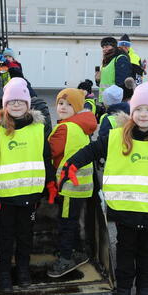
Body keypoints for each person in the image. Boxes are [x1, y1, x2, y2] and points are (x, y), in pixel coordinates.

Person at [59, 82, 148, 295]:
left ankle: (145, 290)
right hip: (124, 209)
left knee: (147, 253)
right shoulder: (116, 137)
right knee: (125, 253)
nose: (143, 115)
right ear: (131, 111)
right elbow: (92, 150)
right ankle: (123, 290)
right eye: (138, 109)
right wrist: (72, 164)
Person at [0, 77, 56, 292]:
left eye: (20, 101)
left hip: (30, 195)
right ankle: (4, 273)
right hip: (5, 196)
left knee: (25, 235)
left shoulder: (38, 128)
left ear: (28, 104)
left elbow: (45, 157)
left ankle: (24, 269)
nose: (16, 105)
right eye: (11, 101)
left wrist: (50, 182)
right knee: (6, 236)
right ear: (4, 104)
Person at [47, 88, 97, 278]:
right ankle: (77, 250)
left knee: (66, 222)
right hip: (80, 186)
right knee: (73, 221)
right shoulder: (80, 126)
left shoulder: (65, 128)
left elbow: (50, 152)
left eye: (69, 105)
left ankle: (66, 258)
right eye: (60, 103)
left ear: (77, 108)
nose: (63, 107)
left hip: (68, 186)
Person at [98, 36, 132, 104]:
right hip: (105, 100)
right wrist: (98, 80)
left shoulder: (120, 59)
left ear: (114, 47)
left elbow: (122, 82)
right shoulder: (106, 61)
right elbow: (104, 82)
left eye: (107, 47)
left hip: (115, 100)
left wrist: (118, 100)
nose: (104, 49)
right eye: (103, 47)